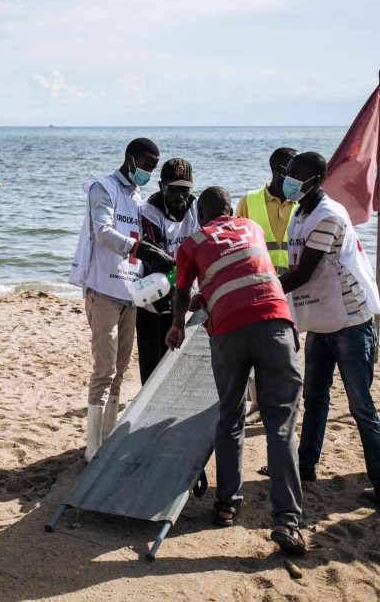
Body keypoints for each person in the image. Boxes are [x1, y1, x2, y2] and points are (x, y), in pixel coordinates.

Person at [166, 186, 306, 554]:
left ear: (200, 214)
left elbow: (182, 290)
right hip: (275, 322)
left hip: (229, 330)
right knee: (281, 423)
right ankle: (287, 521)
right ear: (230, 209)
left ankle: (227, 505)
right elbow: (242, 267)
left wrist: (178, 323)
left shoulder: (192, 241)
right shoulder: (253, 228)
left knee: (230, 416)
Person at [280, 151, 380, 506]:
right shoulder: (302, 209)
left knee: (361, 407)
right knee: (314, 397)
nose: (287, 178)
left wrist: (261, 289)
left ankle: (378, 480)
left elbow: (303, 273)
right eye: (287, 172)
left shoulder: (328, 215)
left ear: (315, 180)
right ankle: (306, 466)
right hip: (322, 319)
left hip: (350, 322)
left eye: (295, 174)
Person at [69, 138, 170, 462]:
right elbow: (102, 232)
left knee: (122, 368)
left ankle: (108, 438)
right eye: (145, 166)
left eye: (153, 169)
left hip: (130, 294)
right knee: (105, 368)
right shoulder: (104, 188)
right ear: (130, 160)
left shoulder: (137, 196)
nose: (148, 173)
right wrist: (138, 248)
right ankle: (92, 448)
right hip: (102, 291)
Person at [236, 147, 299, 425]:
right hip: (257, 286)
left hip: (296, 286)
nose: (300, 178)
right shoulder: (249, 201)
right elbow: (235, 241)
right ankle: (259, 405)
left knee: (289, 348)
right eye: (294, 170)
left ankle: (282, 404)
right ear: (280, 171)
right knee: (256, 346)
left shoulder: (304, 202)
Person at [136, 157, 198, 384]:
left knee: (173, 357)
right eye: (172, 190)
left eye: (184, 190)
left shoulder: (197, 207)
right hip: (154, 289)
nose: (179, 197)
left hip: (181, 290)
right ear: (161, 186)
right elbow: (157, 258)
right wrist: (182, 295)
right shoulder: (149, 209)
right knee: (152, 358)